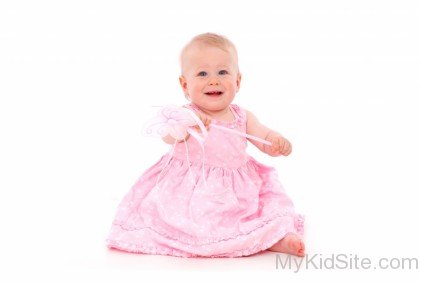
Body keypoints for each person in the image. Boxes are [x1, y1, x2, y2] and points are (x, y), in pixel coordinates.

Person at [106, 33, 305, 257]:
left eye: (222, 72)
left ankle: (275, 237)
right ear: (185, 84)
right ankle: (235, 240)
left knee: (269, 208)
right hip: (193, 190)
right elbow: (169, 136)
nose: (213, 80)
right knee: (201, 224)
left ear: (238, 81)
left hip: (238, 190)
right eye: (202, 73)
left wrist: (276, 142)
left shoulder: (242, 116)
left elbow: (263, 136)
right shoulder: (188, 115)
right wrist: (185, 125)